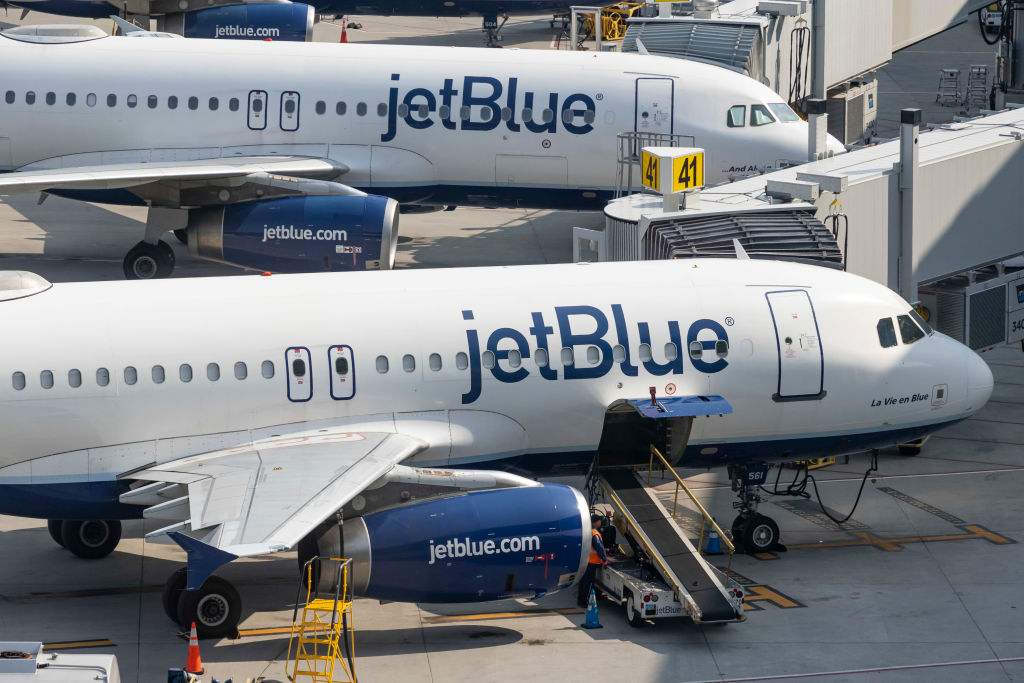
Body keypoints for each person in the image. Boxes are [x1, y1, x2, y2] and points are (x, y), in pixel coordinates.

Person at [577, 512, 610, 607]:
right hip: (592, 562)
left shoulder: (587, 531)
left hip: (585, 561)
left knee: (583, 582)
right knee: (588, 583)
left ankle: (580, 601)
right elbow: (599, 547)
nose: (600, 522)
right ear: (595, 523)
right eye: (599, 521)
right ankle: (585, 602)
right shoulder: (595, 533)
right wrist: (604, 559)